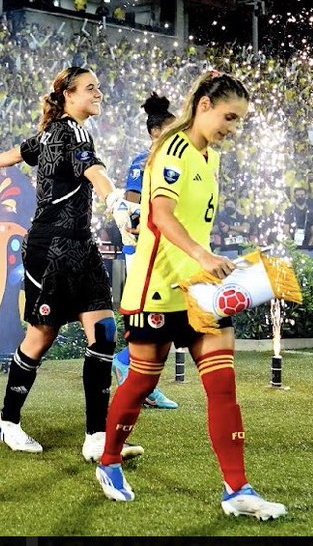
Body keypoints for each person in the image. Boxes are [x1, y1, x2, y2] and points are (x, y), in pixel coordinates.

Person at [93, 71, 288, 521]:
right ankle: (109, 461)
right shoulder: (172, 149)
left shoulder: (211, 157)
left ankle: (237, 489)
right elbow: (159, 216)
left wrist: (220, 265)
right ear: (203, 106)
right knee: (141, 382)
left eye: (240, 121)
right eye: (229, 117)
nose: (233, 128)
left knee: (223, 386)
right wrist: (203, 256)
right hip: (158, 288)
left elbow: (195, 222)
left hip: (201, 292)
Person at [0, 65, 144, 462]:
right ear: (68, 95)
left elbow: (20, 152)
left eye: (99, 87)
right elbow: (94, 170)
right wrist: (117, 203)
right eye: (90, 88)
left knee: (103, 332)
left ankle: (96, 439)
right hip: (53, 249)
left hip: (79, 246)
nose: (98, 94)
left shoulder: (51, 131)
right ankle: (8, 422)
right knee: (41, 337)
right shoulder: (73, 132)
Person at [111, 92, 179, 410]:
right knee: (154, 316)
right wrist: (137, 228)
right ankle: (129, 366)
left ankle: (139, 376)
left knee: (161, 318)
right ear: (155, 132)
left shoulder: (172, 161)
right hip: (141, 248)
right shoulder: (144, 161)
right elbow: (130, 206)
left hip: (161, 246)